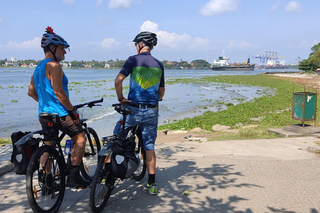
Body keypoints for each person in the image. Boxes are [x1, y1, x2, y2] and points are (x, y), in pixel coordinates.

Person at [28, 26, 90, 188]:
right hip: (61, 114)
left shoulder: (38, 67)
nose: (65, 52)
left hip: (44, 115)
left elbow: (31, 92)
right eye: (63, 49)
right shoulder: (54, 66)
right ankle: (74, 176)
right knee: (80, 139)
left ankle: (46, 180)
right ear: (53, 48)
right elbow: (59, 92)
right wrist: (71, 110)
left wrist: (45, 103)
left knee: (48, 148)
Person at [115, 31, 165, 195]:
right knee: (149, 146)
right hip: (151, 111)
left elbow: (118, 80)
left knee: (117, 136)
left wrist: (121, 98)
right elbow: (161, 92)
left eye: (136, 44)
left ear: (140, 44)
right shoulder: (159, 64)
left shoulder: (132, 60)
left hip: (133, 109)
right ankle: (152, 184)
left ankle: (109, 174)